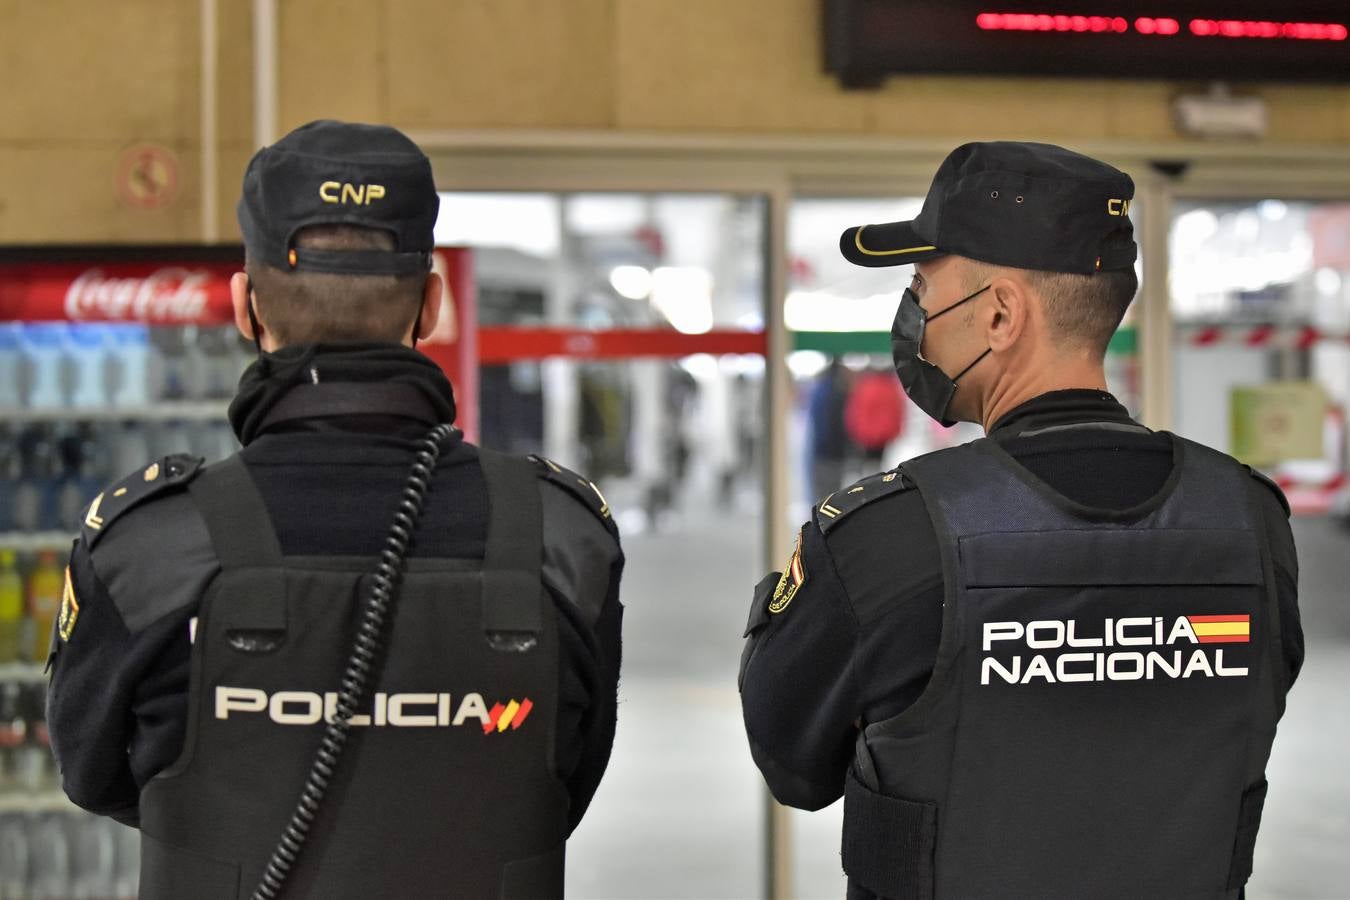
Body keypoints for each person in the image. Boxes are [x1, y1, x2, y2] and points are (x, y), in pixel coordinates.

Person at [46, 120, 624, 899]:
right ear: (431, 305)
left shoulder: (147, 545)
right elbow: (565, 783)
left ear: (245, 306)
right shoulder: (563, 537)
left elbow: (91, 772)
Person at [739, 141, 1302, 900]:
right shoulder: (1249, 522)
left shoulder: (889, 538)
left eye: (922, 290)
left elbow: (793, 765)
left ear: (1001, 313)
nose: (916, 319)